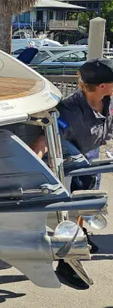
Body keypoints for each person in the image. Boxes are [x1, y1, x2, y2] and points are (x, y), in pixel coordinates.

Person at [31, 58, 113, 289]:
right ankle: (67, 265)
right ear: (102, 86)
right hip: (69, 167)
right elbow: (45, 139)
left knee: (86, 207)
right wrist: (34, 164)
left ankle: (82, 236)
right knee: (73, 213)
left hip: (90, 161)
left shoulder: (108, 102)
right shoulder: (70, 111)